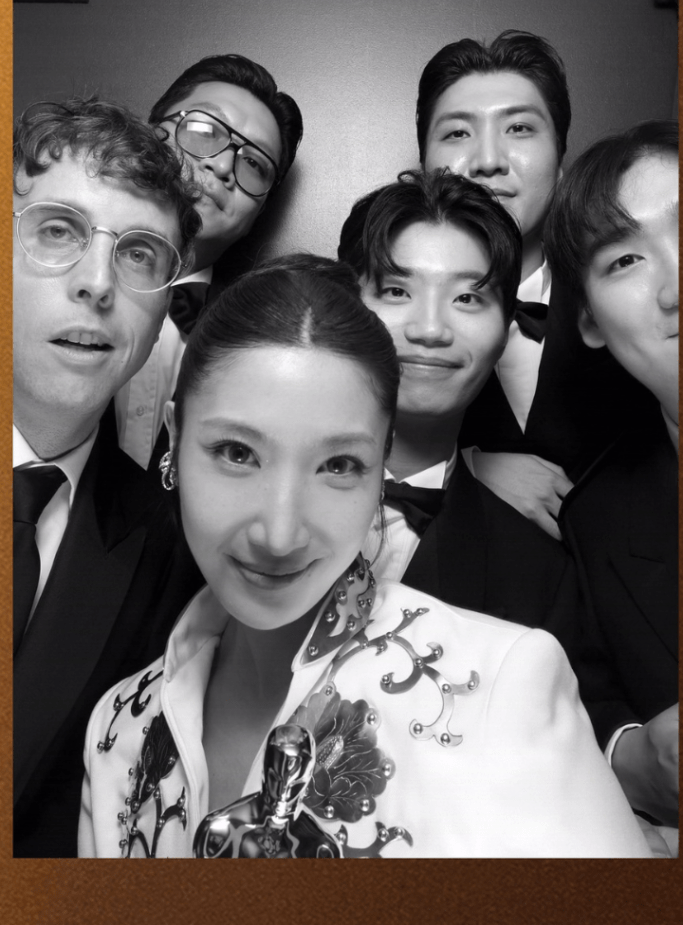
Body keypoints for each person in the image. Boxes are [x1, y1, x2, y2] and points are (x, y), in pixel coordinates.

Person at [79, 256, 652, 858]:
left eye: (339, 466)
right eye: (236, 453)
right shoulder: (117, 727)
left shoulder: (497, 686)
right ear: (173, 437)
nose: (279, 533)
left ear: (382, 470)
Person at [13, 97, 204, 857]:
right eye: (58, 232)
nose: (98, 282)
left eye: (137, 254)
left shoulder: (168, 555)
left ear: (162, 311)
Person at [417, 30, 652, 538]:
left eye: (519, 128)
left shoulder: (629, 294)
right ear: (424, 166)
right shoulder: (374, 308)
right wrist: (466, 468)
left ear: (562, 162)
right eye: (457, 133)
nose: (487, 160)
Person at [339, 169, 576, 652]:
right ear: (343, 305)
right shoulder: (235, 495)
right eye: (396, 291)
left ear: (505, 326)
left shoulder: (542, 576)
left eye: (467, 297)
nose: (430, 329)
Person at [546, 122, 679, 842]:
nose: (674, 282)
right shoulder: (594, 520)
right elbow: (585, 702)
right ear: (589, 323)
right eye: (625, 258)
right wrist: (634, 761)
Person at [115, 54, 303, 470]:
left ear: (261, 209)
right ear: (150, 134)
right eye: (203, 130)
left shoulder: (264, 346)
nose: (221, 166)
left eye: (254, 163)